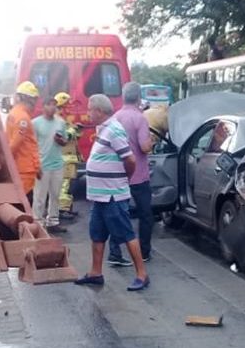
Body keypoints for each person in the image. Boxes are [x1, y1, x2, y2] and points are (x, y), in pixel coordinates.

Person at [75, 94, 150, 291]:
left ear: (99, 111)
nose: (88, 113)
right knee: (97, 234)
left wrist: (124, 179)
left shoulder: (114, 130)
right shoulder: (105, 129)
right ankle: (95, 273)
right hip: (100, 195)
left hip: (112, 194)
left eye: (90, 109)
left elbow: (130, 160)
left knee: (126, 234)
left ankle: (142, 274)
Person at [108, 82, 155, 266]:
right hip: (138, 175)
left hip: (118, 174)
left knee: (118, 214)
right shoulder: (140, 118)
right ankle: (143, 252)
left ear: (123, 96)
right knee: (145, 215)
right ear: (138, 98)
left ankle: (115, 251)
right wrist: (151, 142)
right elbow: (144, 147)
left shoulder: (115, 118)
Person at [32, 96, 68, 232]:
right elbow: (32, 146)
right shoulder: (35, 123)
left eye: (55, 105)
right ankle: (37, 223)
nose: (53, 107)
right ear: (43, 106)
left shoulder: (61, 123)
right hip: (42, 165)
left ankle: (53, 221)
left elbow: (65, 141)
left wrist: (60, 141)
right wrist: (36, 165)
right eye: (50, 104)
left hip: (57, 164)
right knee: (40, 196)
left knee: (56, 195)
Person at [5, 81, 41, 204]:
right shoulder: (23, 118)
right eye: (34, 100)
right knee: (24, 203)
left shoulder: (13, 113)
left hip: (19, 166)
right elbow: (15, 144)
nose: (35, 103)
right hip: (25, 168)